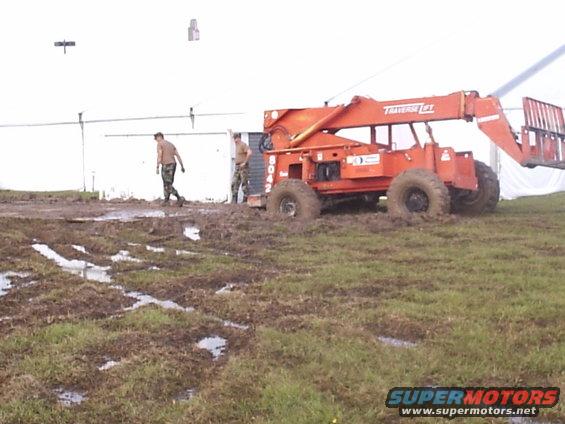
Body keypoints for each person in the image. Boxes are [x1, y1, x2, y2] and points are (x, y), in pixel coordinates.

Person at [154, 132, 185, 206]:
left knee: (167, 184)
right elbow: (177, 155)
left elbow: (160, 155)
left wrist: (157, 166)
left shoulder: (160, 144)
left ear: (159, 137)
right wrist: (182, 166)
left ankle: (179, 198)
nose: (155, 140)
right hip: (173, 165)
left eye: (156, 138)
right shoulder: (171, 144)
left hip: (166, 165)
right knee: (168, 183)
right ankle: (166, 200)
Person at [231, 133, 252, 203]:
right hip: (237, 167)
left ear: (239, 138)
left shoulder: (243, 145)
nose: (234, 140)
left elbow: (249, 153)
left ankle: (245, 200)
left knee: (244, 184)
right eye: (234, 139)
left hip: (243, 167)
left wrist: (245, 162)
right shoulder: (236, 145)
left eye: (235, 138)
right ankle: (234, 200)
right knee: (234, 183)